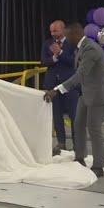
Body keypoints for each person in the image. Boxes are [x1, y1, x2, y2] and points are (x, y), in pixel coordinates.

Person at [44, 22, 104, 178]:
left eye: (67, 34)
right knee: (78, 124)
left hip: (99, 93)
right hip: (86, 92)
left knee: (94, 128)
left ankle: (99, 166)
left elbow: (80, 74)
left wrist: (57, 90)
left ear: (74, 35)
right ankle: (80, 157)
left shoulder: (91, 48)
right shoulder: (81, 46)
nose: (65, 37)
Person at [40, 20, 79, 155]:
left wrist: (61, 53)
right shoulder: (47, 43)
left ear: (63, 29)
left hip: (70, 85)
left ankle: (77, 145)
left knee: (74, 116)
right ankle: (61, 143)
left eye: (55, 31)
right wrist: (55, 57)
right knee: (56, 116)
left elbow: (74, 63)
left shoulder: (72, 43)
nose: (53, 33)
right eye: (51, 31)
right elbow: (43, 61)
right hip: (52, 86)